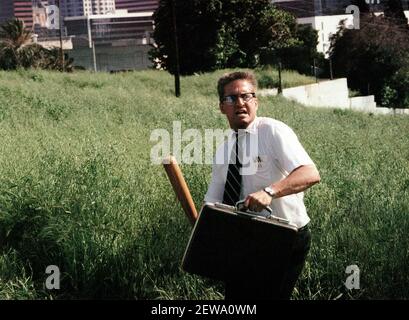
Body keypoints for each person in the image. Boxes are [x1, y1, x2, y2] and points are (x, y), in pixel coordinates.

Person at [204, 71, 320, 300]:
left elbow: (310, 173)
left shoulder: (273, 131)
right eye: (231, 98)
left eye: (246, 96)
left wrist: (270, 192)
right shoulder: (223, 151)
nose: (240, 103)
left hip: (285, 237)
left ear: (255, 102)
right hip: (245, 239)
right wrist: (205, 234)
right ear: (221, 107)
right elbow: (213, 203)